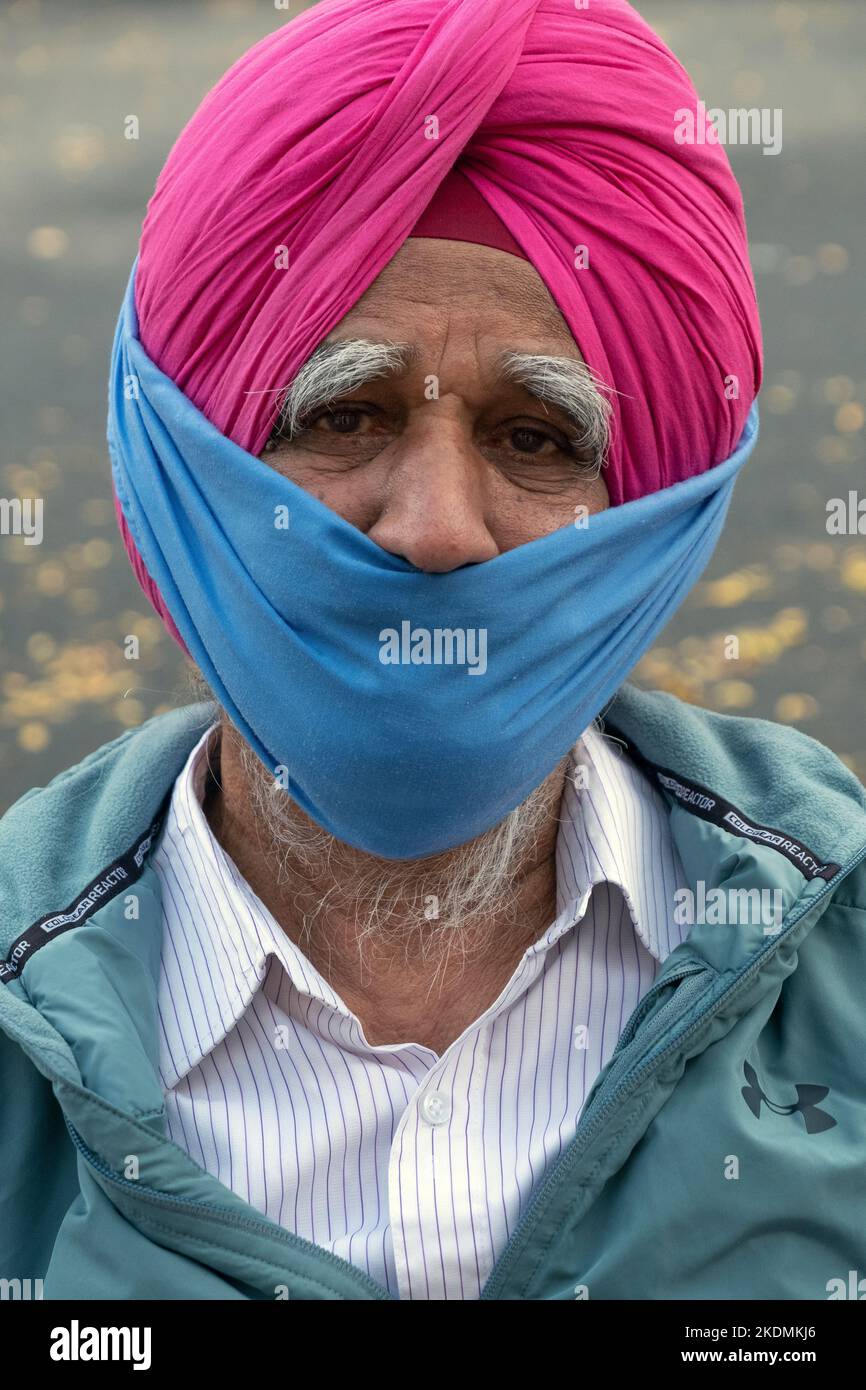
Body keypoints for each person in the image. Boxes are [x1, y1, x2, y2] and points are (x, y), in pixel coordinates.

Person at [1, 0, 864, 1303]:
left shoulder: (837, 957)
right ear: (187, 464)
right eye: (344, 413)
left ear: (650, 516)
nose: (437, 530)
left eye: (533, 437)